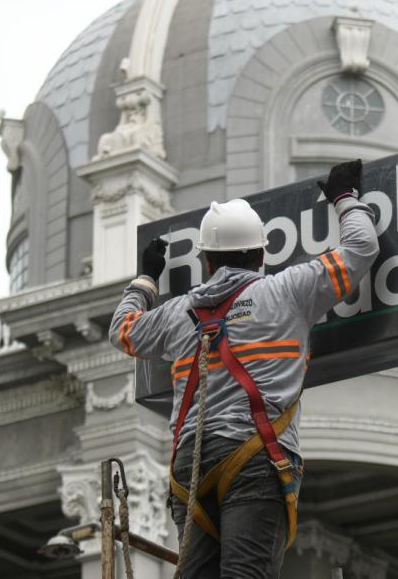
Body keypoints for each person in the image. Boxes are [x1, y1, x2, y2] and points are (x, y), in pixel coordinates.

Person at [108, 159, 378, 578]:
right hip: (255, 459)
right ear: (259, 254)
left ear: (207, 262)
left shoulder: (179, 312)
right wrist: (345, 198)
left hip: (191, 468)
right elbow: (361, 248)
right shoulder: (287, 291)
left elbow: (122, 331)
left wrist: (146, 279)